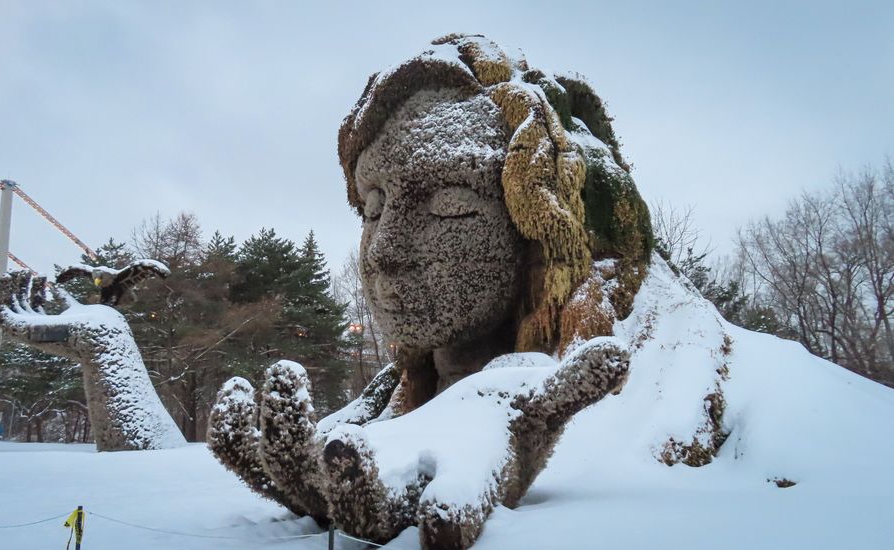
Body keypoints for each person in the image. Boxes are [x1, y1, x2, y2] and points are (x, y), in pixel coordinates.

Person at [209, 33, 651, 549]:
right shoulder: (382, 407)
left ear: (538, 235)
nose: (382, 251)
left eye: (449, 206)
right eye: (373, 210)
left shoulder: (626, 405)